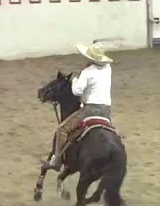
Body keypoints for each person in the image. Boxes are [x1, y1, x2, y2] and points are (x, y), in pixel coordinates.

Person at [45, 41, 113, 172]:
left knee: (62, 130)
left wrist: (76, 80)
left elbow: (77, 91)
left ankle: (57, 161)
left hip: (90, 109)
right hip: (106, 110)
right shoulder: (108, 69)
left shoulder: (87, 72)